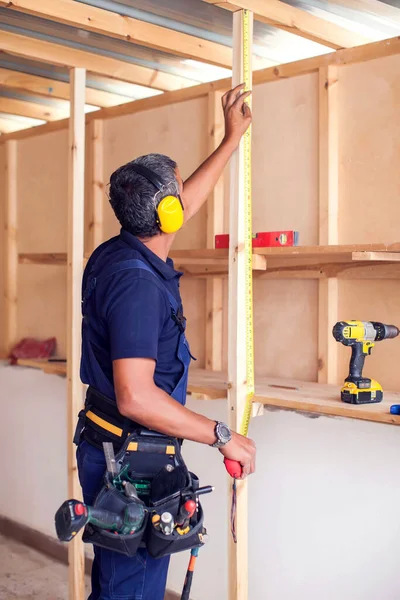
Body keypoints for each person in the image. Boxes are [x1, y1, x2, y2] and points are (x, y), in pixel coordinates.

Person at [75, 84, 256, 600]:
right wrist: (222, 435)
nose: (186, 198)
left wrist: (230, 139)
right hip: (129, 460)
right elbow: (136, 394)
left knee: (122, 585)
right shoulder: (135, 283)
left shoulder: (121, 247)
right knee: (130, 592)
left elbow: (185, 200)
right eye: (178, 191)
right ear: (168, 214)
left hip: (118, 446)